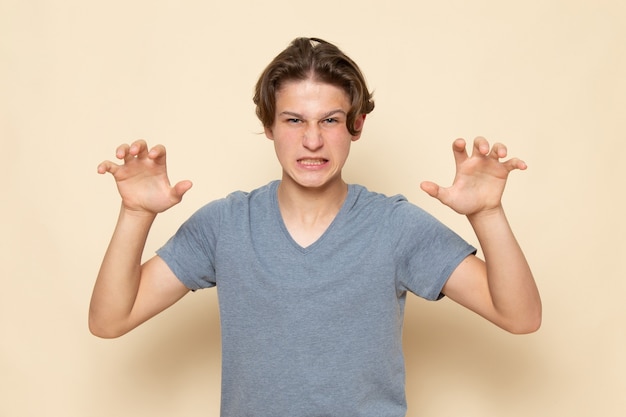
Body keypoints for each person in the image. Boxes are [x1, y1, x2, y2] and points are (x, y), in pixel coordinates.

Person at [89, 37, 541, 417]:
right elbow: (110, 320)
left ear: (356, 125)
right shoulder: (225, 224)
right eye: (294, 120)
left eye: (329, 120)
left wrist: (486, 214)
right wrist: (135, 214)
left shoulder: (394, 226)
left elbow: (520, 317)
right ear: (269, 125)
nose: (312, 140)